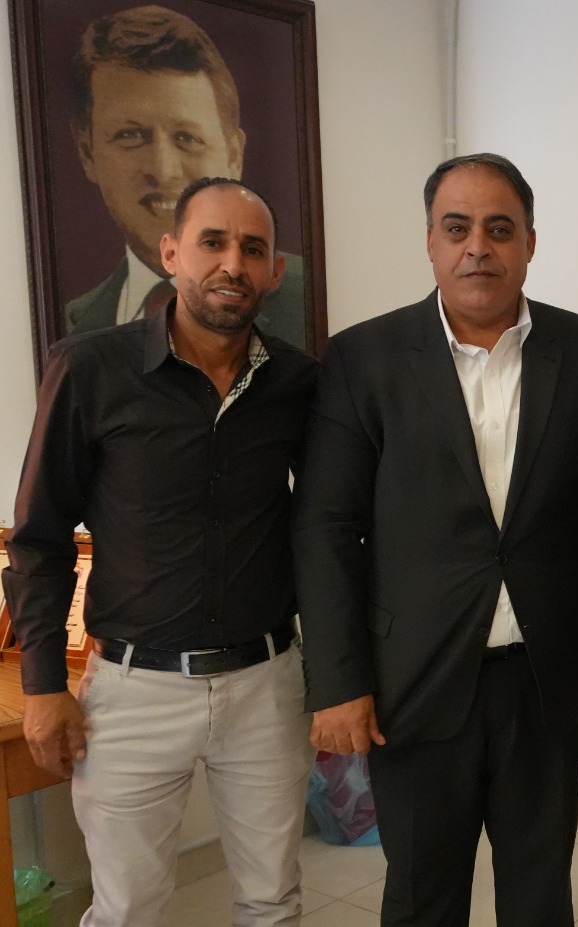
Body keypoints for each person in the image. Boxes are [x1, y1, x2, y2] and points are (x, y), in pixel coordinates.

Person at [294, 153, 578, 927]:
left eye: (499, 228)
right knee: (421, 897)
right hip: (412, 680)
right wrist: (337, 679)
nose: (477, 247)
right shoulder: (364, 358)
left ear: (530, 242)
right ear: (430, 242)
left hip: (546, 676)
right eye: (457, 229)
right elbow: (326, 526)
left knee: (540, 895)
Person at [2, 177, 318, 926]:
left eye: (253, 248)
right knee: (127, 910)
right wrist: (43, 684)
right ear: (171, 252)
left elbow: (326, 528)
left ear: (275, 270)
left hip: (267, 684)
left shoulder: (299, 383)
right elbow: (40, 537)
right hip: (132, 692)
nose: (233, 263)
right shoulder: (90, 369)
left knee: (273, 902)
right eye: (213, 242)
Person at [66, 5, 307, 347]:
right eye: (130, 136)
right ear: (88, 153)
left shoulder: (307, 297)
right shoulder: (76, 325)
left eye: (187, 138)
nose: (164, 170)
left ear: (234, 155)